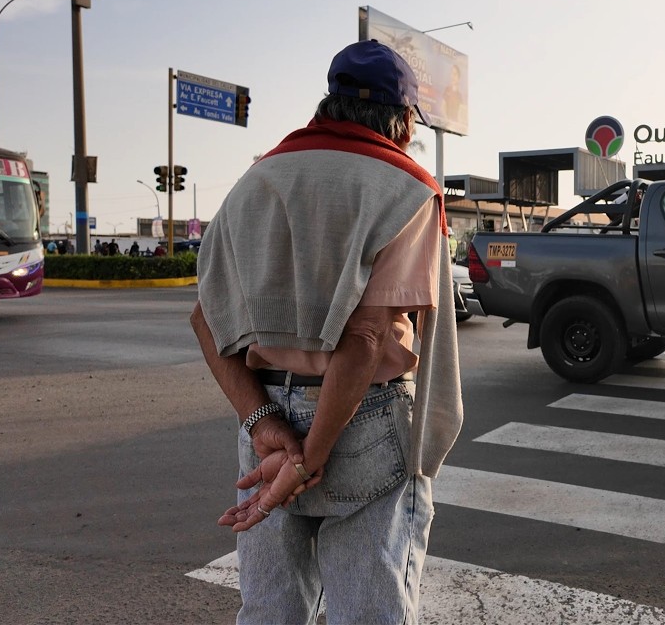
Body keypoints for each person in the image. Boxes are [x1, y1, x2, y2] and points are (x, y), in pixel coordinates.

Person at [190, 39, 462, 625]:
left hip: (265, 416)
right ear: (404, 119)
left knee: (270, 611)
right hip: (363, 419)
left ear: (328, 103)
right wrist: (308, 460)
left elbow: (205, 320)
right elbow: (364, 339)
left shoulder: (256, 180)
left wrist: (265, 426)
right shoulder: (407, 188)